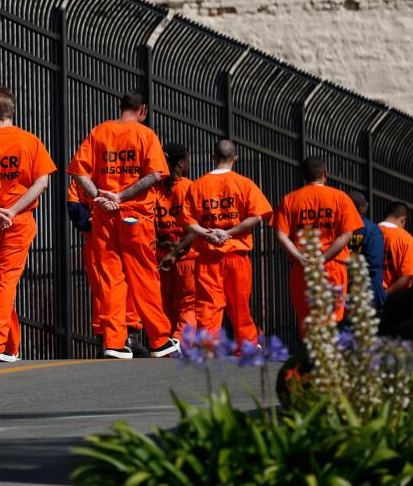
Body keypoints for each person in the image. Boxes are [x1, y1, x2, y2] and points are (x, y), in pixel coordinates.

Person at [68, 91, 180, 360]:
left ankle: (115, 342)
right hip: (135, 215)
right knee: (144, 278)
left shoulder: (99, 132)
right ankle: (159, 340)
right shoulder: (145, 135)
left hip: (104, 215)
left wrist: (99, 197)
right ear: (143, 109)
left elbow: (79, 171)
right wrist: (120, 197)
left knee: (110, 279)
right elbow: (154, 175)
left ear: (121, 107)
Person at [166, 139, 272, 347]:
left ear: (212, 157)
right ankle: (247, 345)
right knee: (240, 306)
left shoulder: (197, 186)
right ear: (235, 158)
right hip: (236, 255)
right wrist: (228, 232)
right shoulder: (244, 183)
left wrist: (208, 234)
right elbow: (257, 216)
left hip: (207, 257)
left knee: (208, 306)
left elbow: (186, 221)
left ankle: (209, 346)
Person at [0, 87, 56, 362]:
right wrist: (11, 211)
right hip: (18, 219)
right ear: (11, 110)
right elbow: (42, 182)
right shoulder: (30, 141)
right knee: (5, 281)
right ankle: (7, 345)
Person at [271, 157, 363, 330]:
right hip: (333, 266)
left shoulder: (290, 200)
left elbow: (281, 234)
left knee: (307, 318)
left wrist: (299, 256)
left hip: (302, 266)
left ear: (302, 175)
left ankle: (310, 355)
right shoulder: (340, 198)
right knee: (333, 318)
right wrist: (323, 258)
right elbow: (346, 234)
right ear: (325, 173)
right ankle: (330, 355)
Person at [66, 178, 144, 348]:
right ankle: (124, 332)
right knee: (122, 285)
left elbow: (73, 207)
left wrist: (92, 220)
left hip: (98, 237)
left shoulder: (81, 180)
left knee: (105, 287)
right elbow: (73, 207)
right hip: (120, 233)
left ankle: (112, 333)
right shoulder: (116, 174)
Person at [155, 143, 196, 338]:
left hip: (160, 257)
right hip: (187, 257)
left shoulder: (155, 190)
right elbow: (196, 227)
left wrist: (162, 244)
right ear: (180, 163)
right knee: (188, 304)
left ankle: (167, 343)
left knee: (166, 305)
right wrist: (177, 250)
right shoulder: (190, 187)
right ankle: (180, 343)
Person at [347, 190, 386, 308]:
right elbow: (373, 263)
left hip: (344, 287)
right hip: (368, 287)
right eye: (366, 205)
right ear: (361, 209)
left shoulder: (340, 229)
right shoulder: (372, 230)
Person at [379, 202, 413, 294]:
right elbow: (407, 275)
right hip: (393, 299)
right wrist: (386, 295)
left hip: (365, 295)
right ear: (403, 220)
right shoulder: (406, 239)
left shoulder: (370, 231)